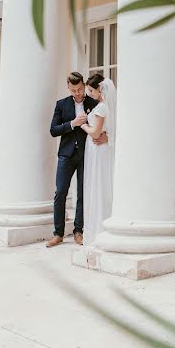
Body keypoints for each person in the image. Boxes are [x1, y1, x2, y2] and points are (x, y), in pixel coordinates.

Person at [45, 72, 107, 248]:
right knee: (60, 192)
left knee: (82, 193)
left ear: (83, 85)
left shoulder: (93, 102)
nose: (78, 93)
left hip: (86, 155)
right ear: (68, 88)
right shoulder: (61, 104)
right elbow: (53, 130)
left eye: (80, 89)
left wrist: (107, 137)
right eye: (74, 90)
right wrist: (72, 124)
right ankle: (58, 233)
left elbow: (104, 123)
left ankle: (79, 231)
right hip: (66, 155)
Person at [79, 73, 116, 244]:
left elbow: (95, 132)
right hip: (97, 149)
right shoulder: (102, 106)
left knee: (98, 185)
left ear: (100, 89)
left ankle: (98, 228)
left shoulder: (101, 108)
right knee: (98, 184)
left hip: (98, 150)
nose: (89, 94)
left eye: (91, 91)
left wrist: (84, 125)